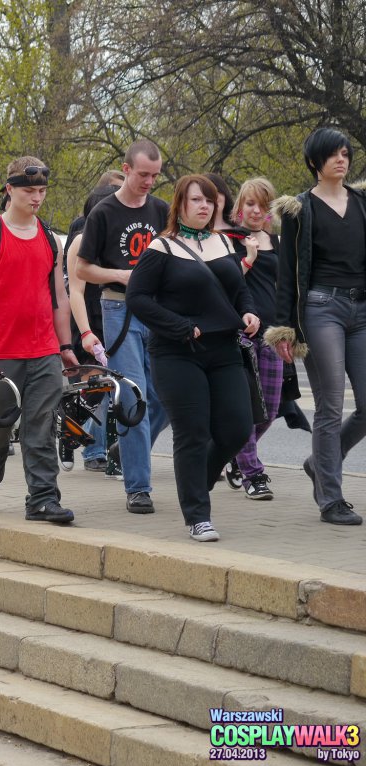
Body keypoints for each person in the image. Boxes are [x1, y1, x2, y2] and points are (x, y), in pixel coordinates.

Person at [127, 174, 260, 542]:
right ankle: (197, 514)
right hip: (176, 353)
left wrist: (249, 312)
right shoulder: (161, 247)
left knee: (236, 427)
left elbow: (238, 290)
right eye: (197, 200)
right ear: (180, 205)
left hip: (224, 350)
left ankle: (196, 483)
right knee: (194, 433)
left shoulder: (223, 243)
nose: (205, 206)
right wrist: (180, 326)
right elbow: (137, 298)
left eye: (210, 201)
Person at [0, 157, 77, 524]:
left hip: (44, 351)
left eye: (41, 191)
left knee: (41, 427)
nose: (36, 198)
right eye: (28, 191)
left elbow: (59, 297)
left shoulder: (51, 240)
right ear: (9, 190)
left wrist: (65, 346)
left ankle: (42, 499)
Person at [269, 127, 366, 526]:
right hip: (320, 307)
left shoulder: (362, 202)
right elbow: (287, 271)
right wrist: (285, 328)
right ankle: (331, 498)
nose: (340, 160)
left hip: (361, 310)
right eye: (332, 155)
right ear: (315, 162)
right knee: (329, 405)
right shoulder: (300, 209)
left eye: (345, 153)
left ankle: (319, 462)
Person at [75, 139, 170, 514]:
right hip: (118, 309)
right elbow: (82, 269)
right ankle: (139, 486)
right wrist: (123, 275)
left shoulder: (162, 210)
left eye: (155, 176)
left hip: (159, 311)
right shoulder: (103, 213)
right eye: (143, 174)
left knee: (164, 395)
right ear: (126, 169)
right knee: (133, 397)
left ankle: (127, 450)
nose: (149, 182)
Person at [230, 178, 283, 500]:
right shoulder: (230, 241)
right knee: (247, 409)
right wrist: (247, 259)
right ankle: (253, 473)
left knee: (270, 410)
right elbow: (224, 283)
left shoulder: (277, 242)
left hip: (274, 334)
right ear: (240, 207)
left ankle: (236, 454)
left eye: (262, 205)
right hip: (241, 334)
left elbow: (286, 286)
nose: (255, 210)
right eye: (250, 203)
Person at [66, 185, 120, 473]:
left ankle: (111, 451)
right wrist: (85, 332)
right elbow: (74, 292)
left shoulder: (117, 242)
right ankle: (78, 437)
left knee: (118, 389)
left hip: (118, 320)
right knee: (96, 387)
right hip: (89, 320)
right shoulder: (80, 242)